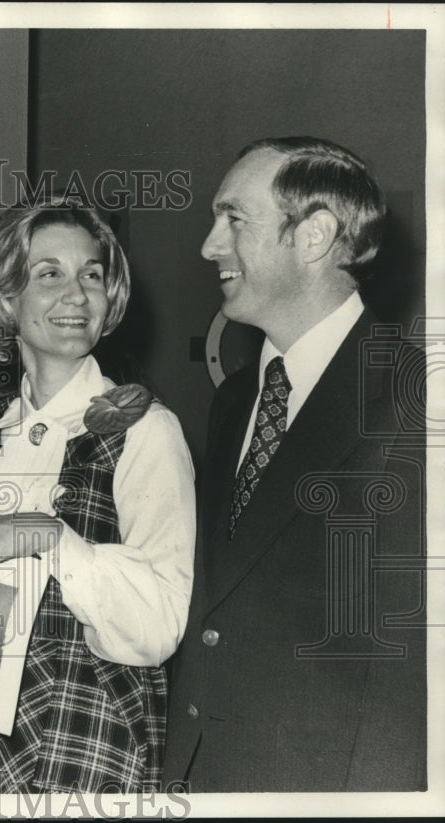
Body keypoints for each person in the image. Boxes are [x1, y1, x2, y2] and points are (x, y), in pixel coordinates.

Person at [162, 137, 426, 791]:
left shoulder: (415, 398)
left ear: (314, 235)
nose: (208, 245)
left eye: (234, 219)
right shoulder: (233, 401)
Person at [0, 198, 196, 793]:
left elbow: (160, 626)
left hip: (86, 755)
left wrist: (44, 536)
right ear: (3, 300)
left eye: (91, 275)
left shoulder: (147, 429)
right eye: (49, 274)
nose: (77, 294)